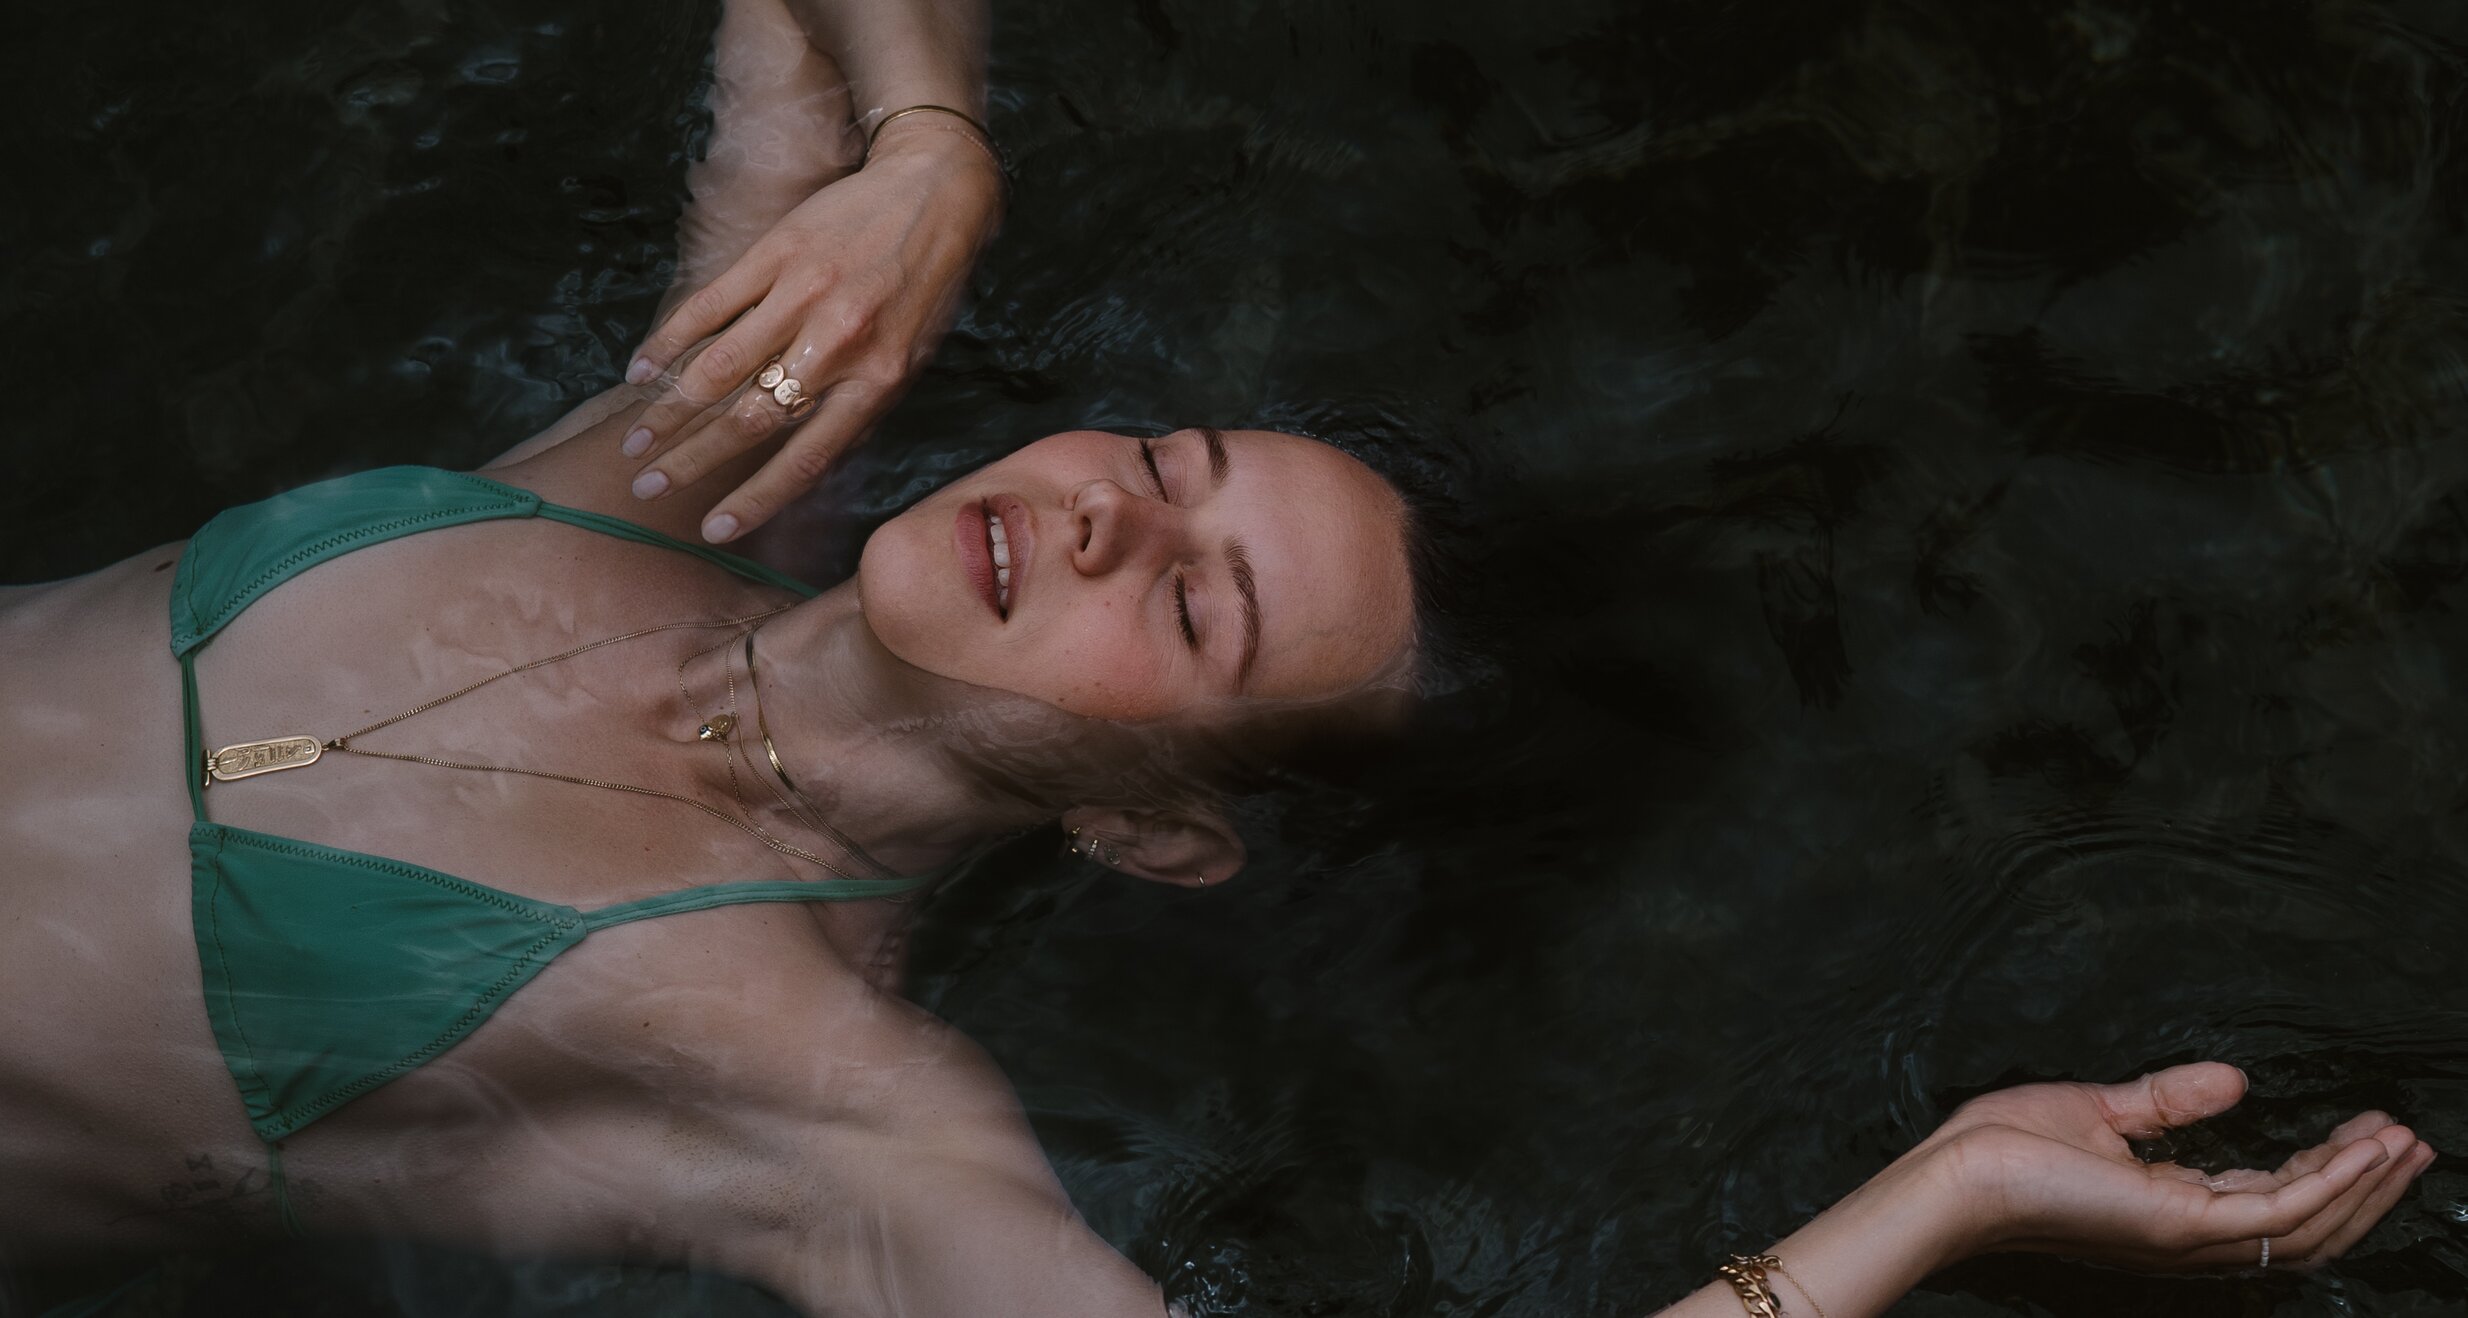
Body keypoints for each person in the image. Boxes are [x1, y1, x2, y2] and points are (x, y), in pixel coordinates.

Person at [0, 1, 2433, 1316]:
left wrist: (1932, 1202)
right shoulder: (692, 457)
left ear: (1157, 828)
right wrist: (941, 142)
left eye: (1183, 599)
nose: (1087, 506)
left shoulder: (824, 1093)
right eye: (1160, 457)